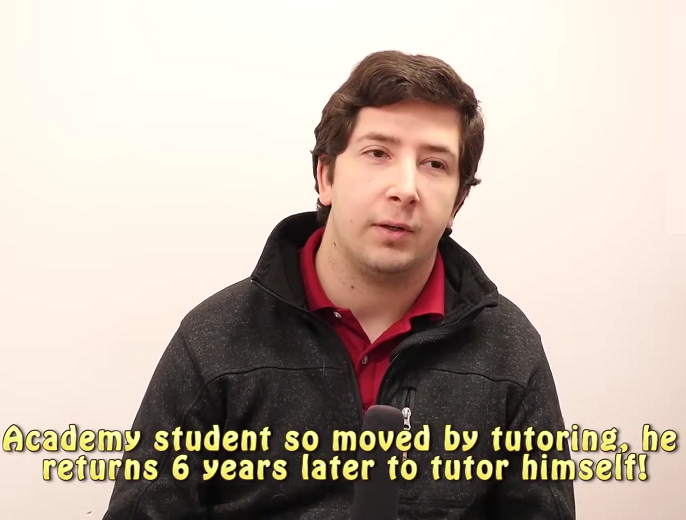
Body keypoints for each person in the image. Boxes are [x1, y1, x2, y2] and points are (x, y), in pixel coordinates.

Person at [103, 50, 576, 519]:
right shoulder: (214, 339)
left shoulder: (509, 349)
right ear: (326, 175)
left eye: (435, 164)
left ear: (458, 202)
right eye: (378, 153)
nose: (405, 189)